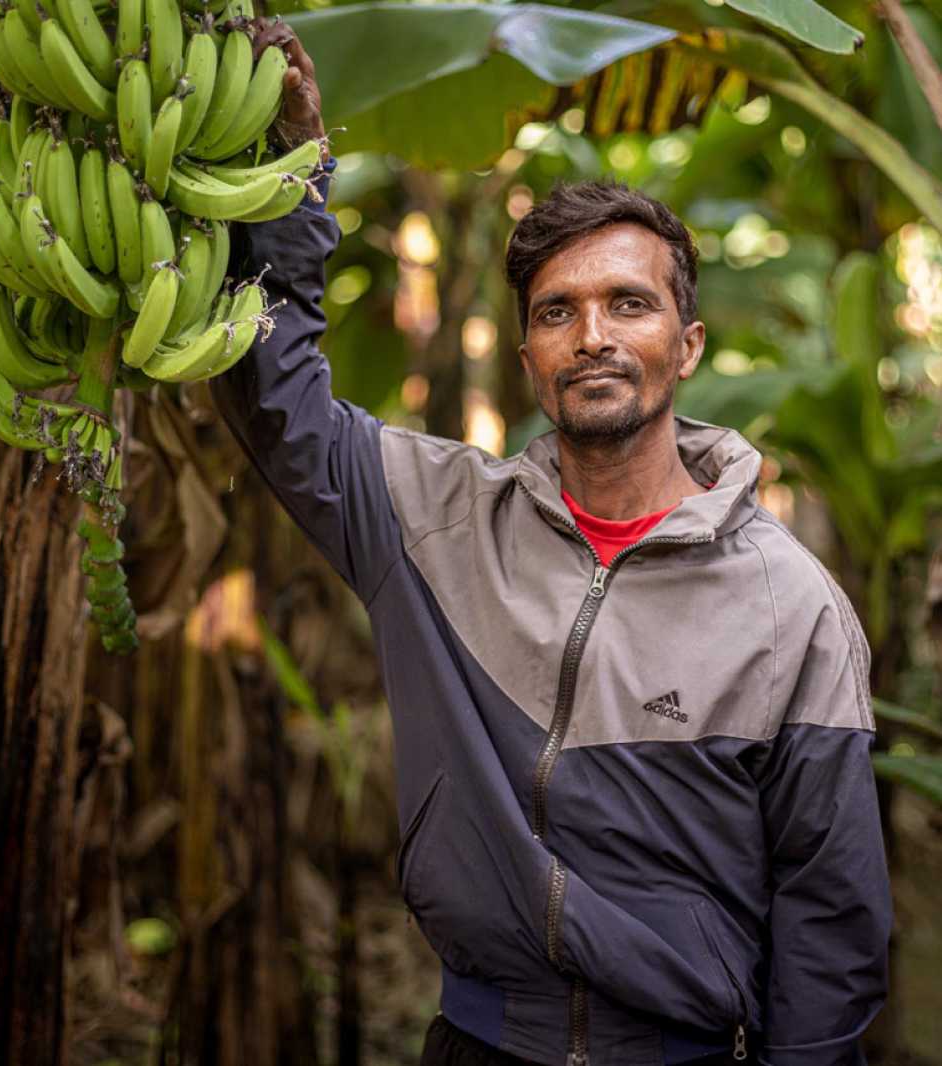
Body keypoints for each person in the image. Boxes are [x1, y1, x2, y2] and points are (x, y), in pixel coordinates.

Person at [212, 21, 892, 1066]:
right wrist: (291, 176)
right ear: (529, 352)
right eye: (557, 311)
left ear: (688, 341)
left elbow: (831, 924)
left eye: (629, 303)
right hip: (482, 1040)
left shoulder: (787, 606)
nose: (593, 336)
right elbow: (275, 398)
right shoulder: (435, 523)